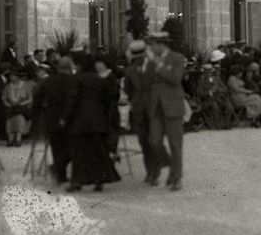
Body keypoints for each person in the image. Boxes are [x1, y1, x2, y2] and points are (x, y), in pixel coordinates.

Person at [62, 52, 120, 192]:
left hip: (80, 121)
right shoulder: (98, 79)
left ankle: (77, 182)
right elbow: (108, 99)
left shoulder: (76, 79)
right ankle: (99, 180)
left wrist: (65, 117)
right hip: (98, 121)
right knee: (98, 152)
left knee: (79, 152)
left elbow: (72, 100)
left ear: (79, 65)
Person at [124, 41, 170, 184]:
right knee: (144, 142)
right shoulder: (130, 70)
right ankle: (150, 171)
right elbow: (128, 90)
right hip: (139, 111)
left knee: (154, 141)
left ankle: (154, 173)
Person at [146, 32, 186, 191]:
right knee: (154, 141)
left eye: (152, 44)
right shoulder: (150, 61)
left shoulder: (177, 58)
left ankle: (177, 177)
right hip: (156, 107)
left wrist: (158, 65)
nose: (150, 48)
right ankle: (169, 163)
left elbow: (175, 79)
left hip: (173, 107)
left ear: (161, 44)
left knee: (175, 144)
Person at [33, 56, 75, 184]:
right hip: (69, 118)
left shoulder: (48, 81)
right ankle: (58, 167)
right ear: (70, 68)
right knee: (71, 146)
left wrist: (37, 115)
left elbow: (38, 99)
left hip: (51, 117)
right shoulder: (72, 81)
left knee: (57, 146)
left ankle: (61, 175)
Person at [2, 68, 33, 147]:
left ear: (17, 77)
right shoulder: (8, 87)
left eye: (13, 76)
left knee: (20, 119)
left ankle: (18, 139)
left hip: (21, 108)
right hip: (11, 108)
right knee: (9, 121)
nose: (11, 78)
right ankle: (10, 139)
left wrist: (23, 103)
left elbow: (30, 98)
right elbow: (4, 98)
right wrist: (7, 104)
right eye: (10, 76)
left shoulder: (25, 85)